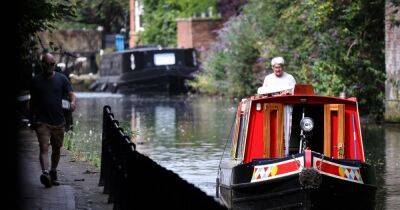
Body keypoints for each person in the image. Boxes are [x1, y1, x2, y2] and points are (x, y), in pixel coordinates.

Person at [29, 53, 77, 187]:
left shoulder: (62, 79)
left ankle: (53, 171)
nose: (50, 66)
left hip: (59, 121)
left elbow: (71, 94)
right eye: (47, 64)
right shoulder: (35, 81)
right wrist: (31, 119)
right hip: (41, 121)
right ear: (42, 64)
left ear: (55, 65)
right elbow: (32, 102)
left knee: (57, 148)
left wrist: (73, 102)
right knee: (44, 147)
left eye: (52, 64)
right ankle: (45, 173)